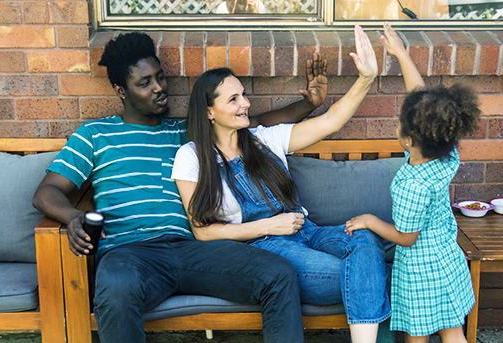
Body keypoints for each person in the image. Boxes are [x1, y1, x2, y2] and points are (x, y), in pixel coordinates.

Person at [32, 31, 330, 343]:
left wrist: (308, 103)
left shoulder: (190, 132)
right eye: (145, 83)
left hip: (197, 250)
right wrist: (71, 216)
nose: (159, 87)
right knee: (116, 287)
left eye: (160, 77)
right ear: (121, 90)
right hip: (130, 254)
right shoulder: (95, 134)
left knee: (278, 274)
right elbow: (46, 192)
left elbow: (258, 122)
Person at [172, 25, 418, 343]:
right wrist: (269, 226)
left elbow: (330, 121)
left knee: (365, 239)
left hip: (310, 232)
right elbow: (202, 231)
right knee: (371, 275)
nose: (245, 103)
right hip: (264, 251)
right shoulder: (191, 157)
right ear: (209, 111)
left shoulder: (264, 139)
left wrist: (366, 79)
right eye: (233, 99)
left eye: (243, 95)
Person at [345, 24, 479, 343]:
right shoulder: (447, 157)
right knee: (452, 332)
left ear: (407, 139)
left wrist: (370, 221)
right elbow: (423, 104)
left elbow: (406, 238)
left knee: (416, 337)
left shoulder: (411, 182)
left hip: (419, 272)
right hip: (448, 259)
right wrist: (401, 55)